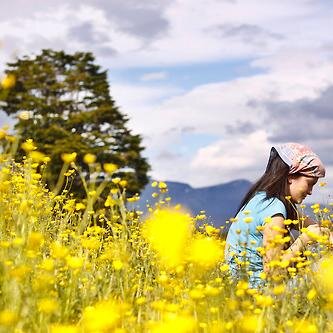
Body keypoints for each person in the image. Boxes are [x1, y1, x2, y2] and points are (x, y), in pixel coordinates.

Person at [224, 142, 330, 287]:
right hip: (260, 293)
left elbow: (319, 229)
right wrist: (304, 239)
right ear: (290, 176)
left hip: (241, 289)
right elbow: (272, 273)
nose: (310, 191)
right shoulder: (274, 210)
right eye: (309, 183)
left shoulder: (264, 199)